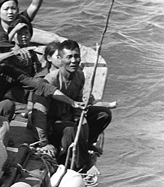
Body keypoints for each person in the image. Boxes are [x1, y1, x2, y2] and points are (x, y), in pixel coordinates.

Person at [30, 39, 112, 168]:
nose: (74, 61)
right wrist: (43, 142)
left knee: (103, 114)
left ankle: (84, 145)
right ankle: (81, 164)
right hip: (51, 124)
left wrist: (81, 121)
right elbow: (39, 114)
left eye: (76, 56)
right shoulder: (50, 80)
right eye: (69, 57)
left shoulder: (79, 76)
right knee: (69, 129)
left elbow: (78, 104)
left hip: (67, 118)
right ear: (61, 59)